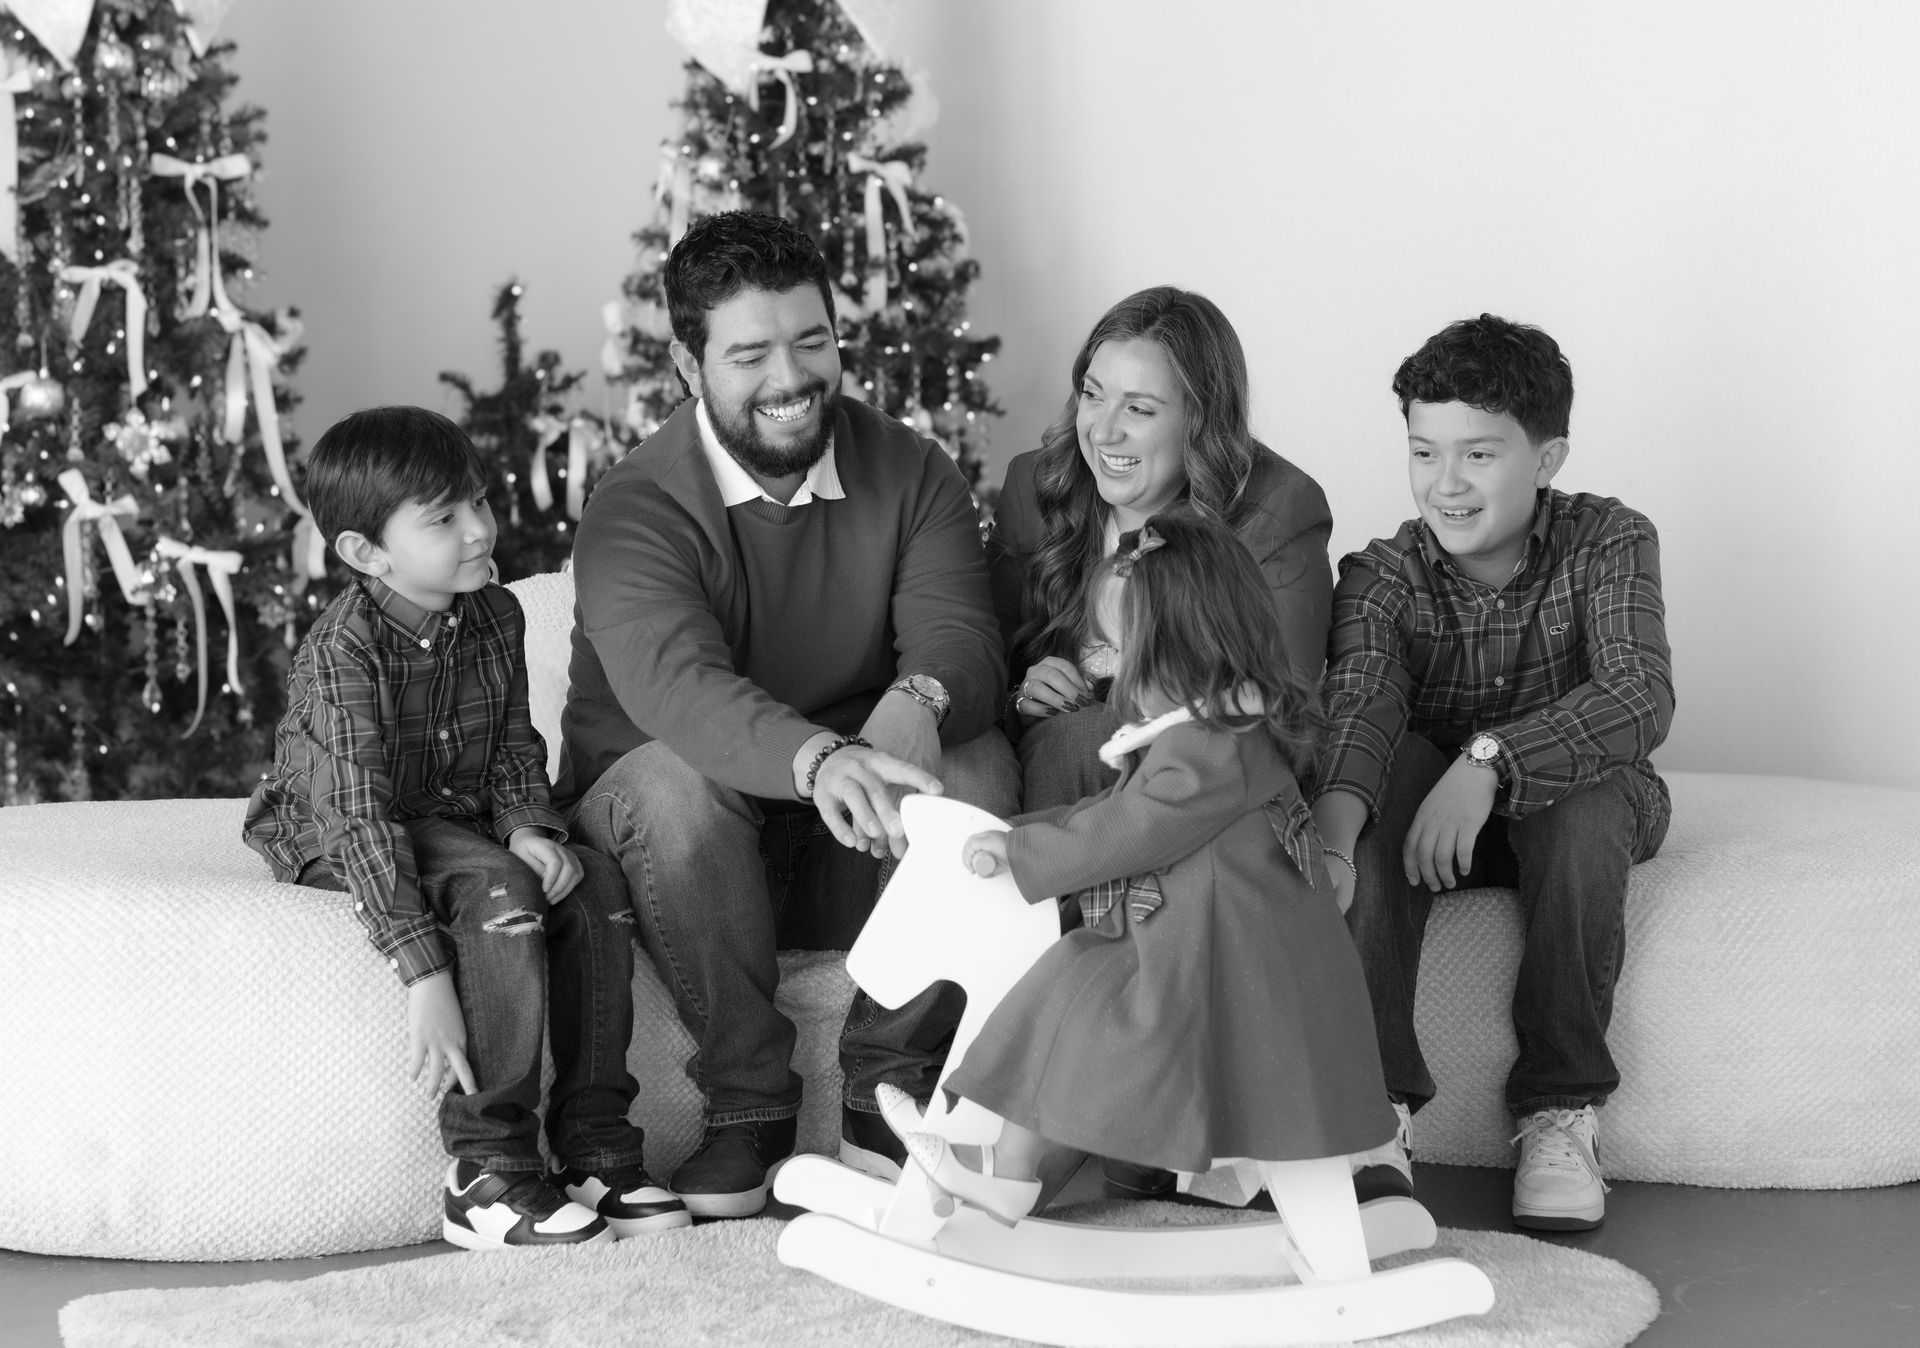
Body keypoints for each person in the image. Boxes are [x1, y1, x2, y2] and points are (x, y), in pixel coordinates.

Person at [558, 212, 1019, 1219]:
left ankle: (886, 1092)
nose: (791, 376)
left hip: (847, 834)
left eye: (812, 341)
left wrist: (920, 698)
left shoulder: (912, 471)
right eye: (752, 352)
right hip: (684, 834)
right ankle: (747, 1108)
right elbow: (677, 685)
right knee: (677, 782)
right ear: (689, 363)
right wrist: (819, 755)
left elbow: (962, 635)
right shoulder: (635, 504)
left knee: (978, 768)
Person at [243, 406, 686, 1250]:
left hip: (455, 809)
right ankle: (486, 1169)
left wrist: (528, 825)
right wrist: (422, 971)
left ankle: (596, 1145)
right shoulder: (347, 649)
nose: (480, 529)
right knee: (499, 893)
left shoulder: (495, 615)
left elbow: (515, 747)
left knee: (590, 881)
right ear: (365, 552)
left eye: (477, 501)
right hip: (346, 828)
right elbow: (362, 814)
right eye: (444, 519)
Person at [893, 512, 1395, 1221]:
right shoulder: (1200, 733)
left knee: (1068, 999)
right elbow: (1118, 812)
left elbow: (1131, 829)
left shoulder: (1218, 744)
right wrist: (1012, 834)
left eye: (1119, 648)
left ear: (1188, 649)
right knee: (1059, 996)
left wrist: (1023, 851)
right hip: (1189, 945)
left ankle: (1012, 1173)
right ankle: (1009, 1171)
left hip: (1234, 969)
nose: (1104, 665)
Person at [1313, 315, 1674, 1231]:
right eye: (1425, 453)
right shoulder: (1381, 573)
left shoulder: (1609, 539)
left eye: (1479, 455)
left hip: (1573, 813)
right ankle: (1372, 1118)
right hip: (1435, 836)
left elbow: (1639, 697)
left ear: (1547, 457)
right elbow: (1359, 702)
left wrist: (1493, 761)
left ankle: (1560, 1108)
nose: (1447, 484)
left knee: (1585, 796)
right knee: (1379, 769)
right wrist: (1336, 835)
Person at [988, 284, 1334, 826]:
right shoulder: (1035, 484)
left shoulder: (1280, 510)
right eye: (1093, 395)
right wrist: (1020, 697)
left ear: (1201, 420)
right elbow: (983, 656)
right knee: (1063, 741)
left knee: (1084, 736)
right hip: (1056, 775)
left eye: (1139, 409)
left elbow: (1284, 712)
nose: (1102, 431)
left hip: (1207, 791)